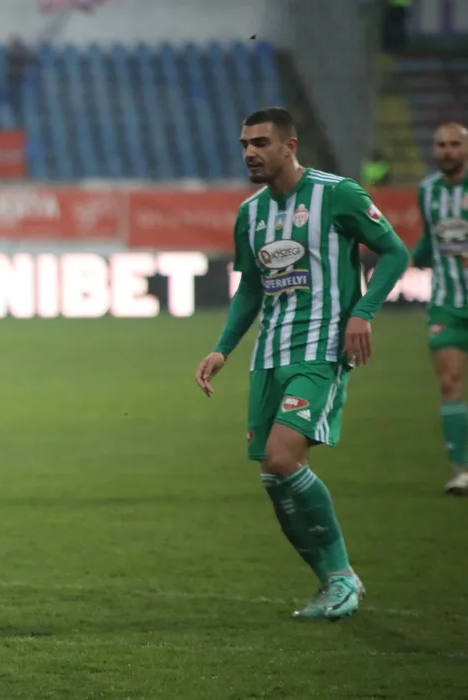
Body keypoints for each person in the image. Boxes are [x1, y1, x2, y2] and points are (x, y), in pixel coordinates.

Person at [194, 108, 409, 621]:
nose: (250, 152)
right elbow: (251, 287)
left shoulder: (337, 194)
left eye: (261, 143)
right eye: (245, 144)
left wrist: (362, 313)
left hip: (321, 350)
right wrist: (223, 348)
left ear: (289, 146)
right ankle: (332, 581)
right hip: (269, 355)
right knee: (274, 477)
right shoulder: (250, 213)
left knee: (283, 457)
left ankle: (342, 576)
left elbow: (395, 253)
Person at [410, 122, 468, 495]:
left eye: (454, 144)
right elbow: (431, 240)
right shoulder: (427, 190)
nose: (447, 151)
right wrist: (412, 258)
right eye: (441, 145)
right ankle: (461, 471)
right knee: (449, 382)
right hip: (446, 304)